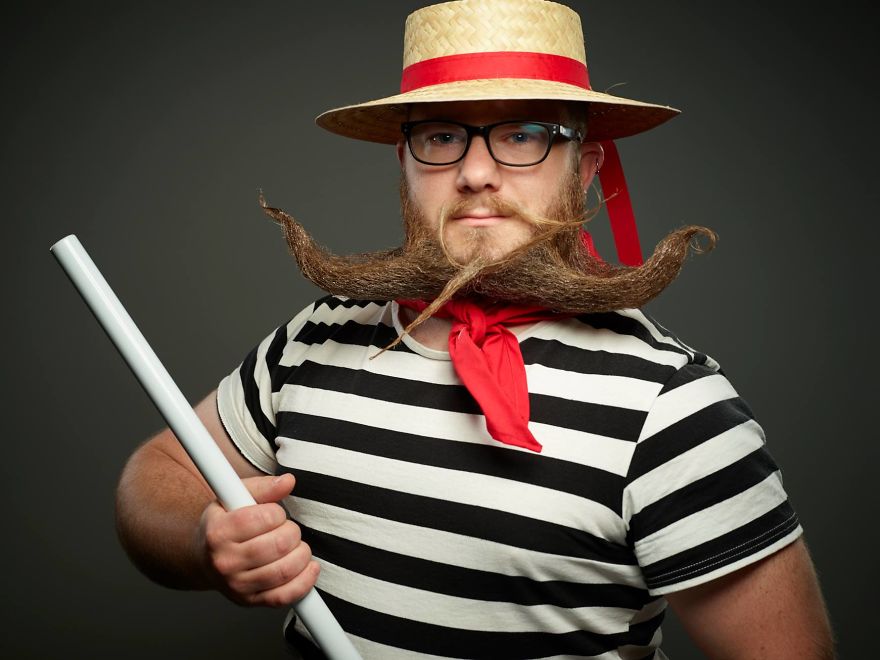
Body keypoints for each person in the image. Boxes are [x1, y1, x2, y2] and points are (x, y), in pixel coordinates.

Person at [115, 0, 834, 657]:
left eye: (522, 134)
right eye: (441, 136)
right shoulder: (315, 336)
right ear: (406, 163)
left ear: (583, 168)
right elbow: (158, 477)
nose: (476, 172)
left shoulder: (671, 407)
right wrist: (206, 541)